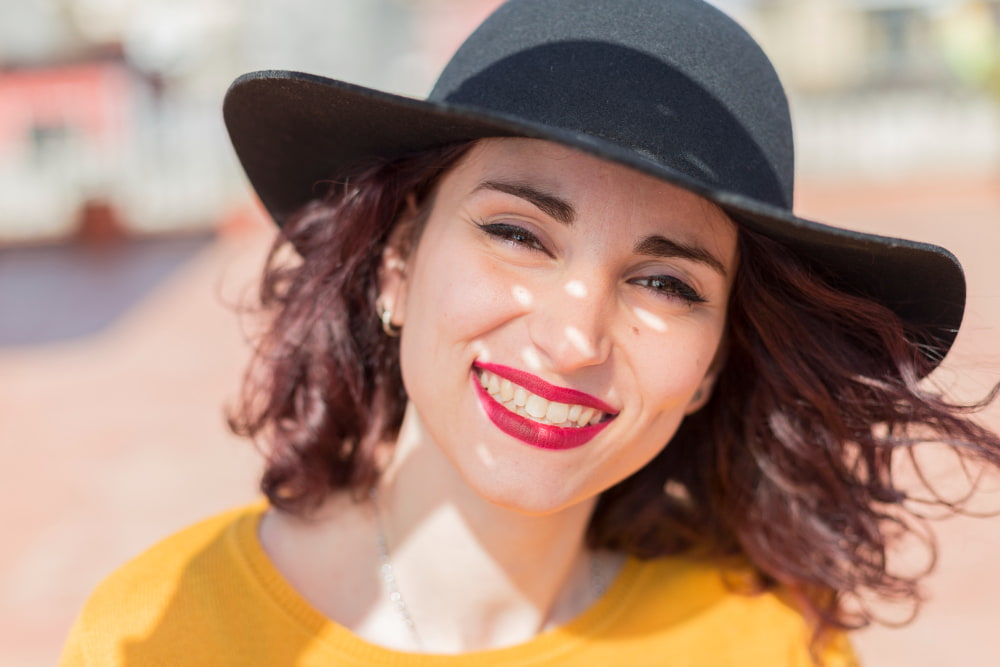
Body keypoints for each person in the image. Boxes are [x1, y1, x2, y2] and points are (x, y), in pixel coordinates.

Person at [61, 0, 1000, 665]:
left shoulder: (771, 645)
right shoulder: (163, 632)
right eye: (517, 233)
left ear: (714, 363)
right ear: (397, 261)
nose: (573, 335)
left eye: (667, 281)